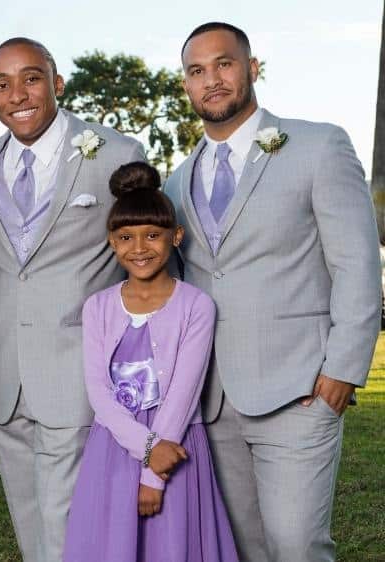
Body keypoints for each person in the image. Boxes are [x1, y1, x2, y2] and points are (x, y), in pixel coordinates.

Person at [164, 22, 380, 562]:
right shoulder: (176, 181)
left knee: (296, 545)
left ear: (252, 68)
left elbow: (356, 263)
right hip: (211, 399)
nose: (211, 80)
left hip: (300, 389)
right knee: (241, 547)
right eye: (197, 71)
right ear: (186, 86)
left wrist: (343, 371)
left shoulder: (318, 145)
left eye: (224, 64)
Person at [0, 37, 146, 561]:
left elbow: (151, 261)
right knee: (31, 528)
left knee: (67, 529)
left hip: (78, 375)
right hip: (5, 377)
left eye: (30, 78)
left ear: (56, 82)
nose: (17, 94)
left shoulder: (114, 153)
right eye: (1, 85)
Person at [62, 162, 238, 561]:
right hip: (115, 446)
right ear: (111, 242)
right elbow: (99, 391)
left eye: (152, 235)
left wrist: (153, 474)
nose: (139, 248)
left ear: (175, 237)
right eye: (126, 237)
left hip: (172, 449)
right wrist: (144, 447)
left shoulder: (196, 306)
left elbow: (182, 394)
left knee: (169, 545)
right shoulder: (98, 307)